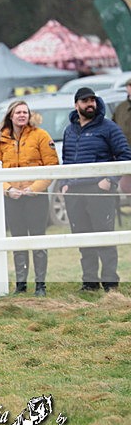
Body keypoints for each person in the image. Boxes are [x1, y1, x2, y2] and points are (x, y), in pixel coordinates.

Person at [61, 87, 131, 292]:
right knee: (82, 237)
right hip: (74, 191)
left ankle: (110, 282)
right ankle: (89, 282)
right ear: (76, 105)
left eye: (92, 100)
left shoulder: (108, 127)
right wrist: (65, 183)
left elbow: (124, 155)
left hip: (99, 190)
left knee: (104, 236)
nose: (90, 104)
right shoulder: (69, 130)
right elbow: (66, 160)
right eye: (85, 101)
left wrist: (110, 179)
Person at [0, 100, 59, 296]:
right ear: (10, 116)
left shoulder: (41, 136)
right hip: (12, 198)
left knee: (38, 238)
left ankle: (40, 285)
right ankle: (21, 285)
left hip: (36, 197)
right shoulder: (0, 140)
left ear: (29, 115)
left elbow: (52, 166)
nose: (22, 115)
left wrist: (34, 189)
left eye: (25, 112)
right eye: (18, 112)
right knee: (17, 239)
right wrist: (8, 189)